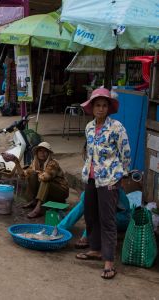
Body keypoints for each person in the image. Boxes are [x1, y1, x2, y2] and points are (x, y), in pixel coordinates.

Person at [76, 88, 131, 280]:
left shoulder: (117, 127)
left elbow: (125, 153)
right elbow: (90, 153)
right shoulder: (89, 127)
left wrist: (119, 175)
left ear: (109, 108)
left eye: (104, 105)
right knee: (91, 215)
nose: (100, 109)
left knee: (107, 219)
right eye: (97, 105)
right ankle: (96, 249)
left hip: (109, 179)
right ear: (92, 107)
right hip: (91, 178)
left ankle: (109, 261)